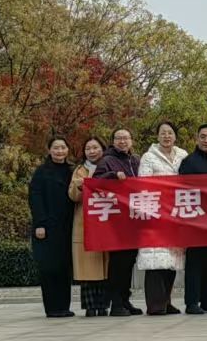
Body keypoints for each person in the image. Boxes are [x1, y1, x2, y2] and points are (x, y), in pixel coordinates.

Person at [137, 121, 188, 315]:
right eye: (163, 133)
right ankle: (155, 304)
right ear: (157, 136)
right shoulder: (148, 157)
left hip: (176, 212)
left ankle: (167, 301)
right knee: (155, 260)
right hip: (155, 212)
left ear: (175, 136)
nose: (167, 136)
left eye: (170, 133)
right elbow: (143, 184)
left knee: (172, 260)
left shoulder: (183, 155)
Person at [93, 127, 143, 315]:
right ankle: (116, 303)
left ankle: (125, 299)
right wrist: (112, 176)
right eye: (118, 138)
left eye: (126, 138)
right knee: (118, 262)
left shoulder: (136, 160)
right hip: (116, 220)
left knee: (129, 261)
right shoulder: (107, 160)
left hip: (134, 219)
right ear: (113, 141)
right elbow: (95, 183)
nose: (122, 141)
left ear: (131, 140)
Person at [178, 124, 207, 315]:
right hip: (196, 218)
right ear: (197, 139)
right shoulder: (189, 162)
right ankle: (191, 302)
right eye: (203, 137)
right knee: (195, 261)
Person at [28, 136, 76, 317]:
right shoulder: (42, 172)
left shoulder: (72, 171)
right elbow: (35, 198)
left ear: (67, 150)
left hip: (67, 226)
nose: (59, 151)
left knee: (64, 268)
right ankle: (52, 308)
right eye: (56, 148)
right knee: (49, 268)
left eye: (63, 147)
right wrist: (40, 223)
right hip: (47, 227)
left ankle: (64, 306)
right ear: (49, 150)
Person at [67, 136, 112, 316]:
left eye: (95, 147)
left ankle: (104, 305)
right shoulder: (80, 170)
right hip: (85, 223)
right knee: (88, 269)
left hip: (107, 221)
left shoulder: (110, 166)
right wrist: (81, 186)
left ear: (103, 148)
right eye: (88, 148)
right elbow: (73, 196)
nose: (92, 151)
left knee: (106, 268)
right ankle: (90, 306)